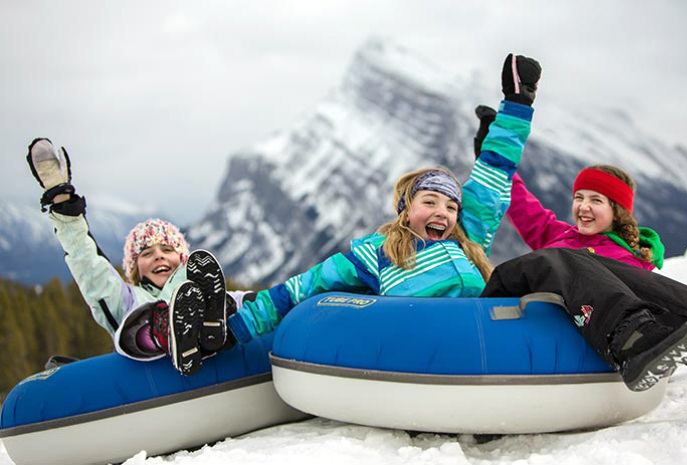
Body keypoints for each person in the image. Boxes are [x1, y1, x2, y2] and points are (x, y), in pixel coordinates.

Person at [140, 53, 541, 374]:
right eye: (430, 202)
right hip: (423, 346)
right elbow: (304, 287)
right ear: (405, 211)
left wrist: (517, 104)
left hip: (479, 338)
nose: (443, 212)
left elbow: (494, 175)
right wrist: (236, 333)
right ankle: (212, 324)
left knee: (534, 271)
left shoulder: (465, 237)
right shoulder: (378, 251)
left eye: (451, 206)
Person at [471, 109, 687, 391]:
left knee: (604, 271)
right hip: (510, 301)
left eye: (596, 200)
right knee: (567, 257)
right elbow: (519, 199)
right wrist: (491, 153)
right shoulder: (557, 236)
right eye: (579, 197)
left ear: (617, 211)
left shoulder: (626, 260)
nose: (582, 207)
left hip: (570, 324)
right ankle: (637, 338)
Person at [26, 139, 241, 374]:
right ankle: (170, 332)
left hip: (212, 339)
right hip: (152, 378)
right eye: (147, 253)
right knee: (143, 319)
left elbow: (258, 301)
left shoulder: (208, 290)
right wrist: (62, 203)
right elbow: (88, 263)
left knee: (229, 303)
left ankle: (214, 328)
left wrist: (285, 294)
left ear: (183, 260)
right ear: (135, 268)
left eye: (167, 250)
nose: (159, 256)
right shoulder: (125, 300)